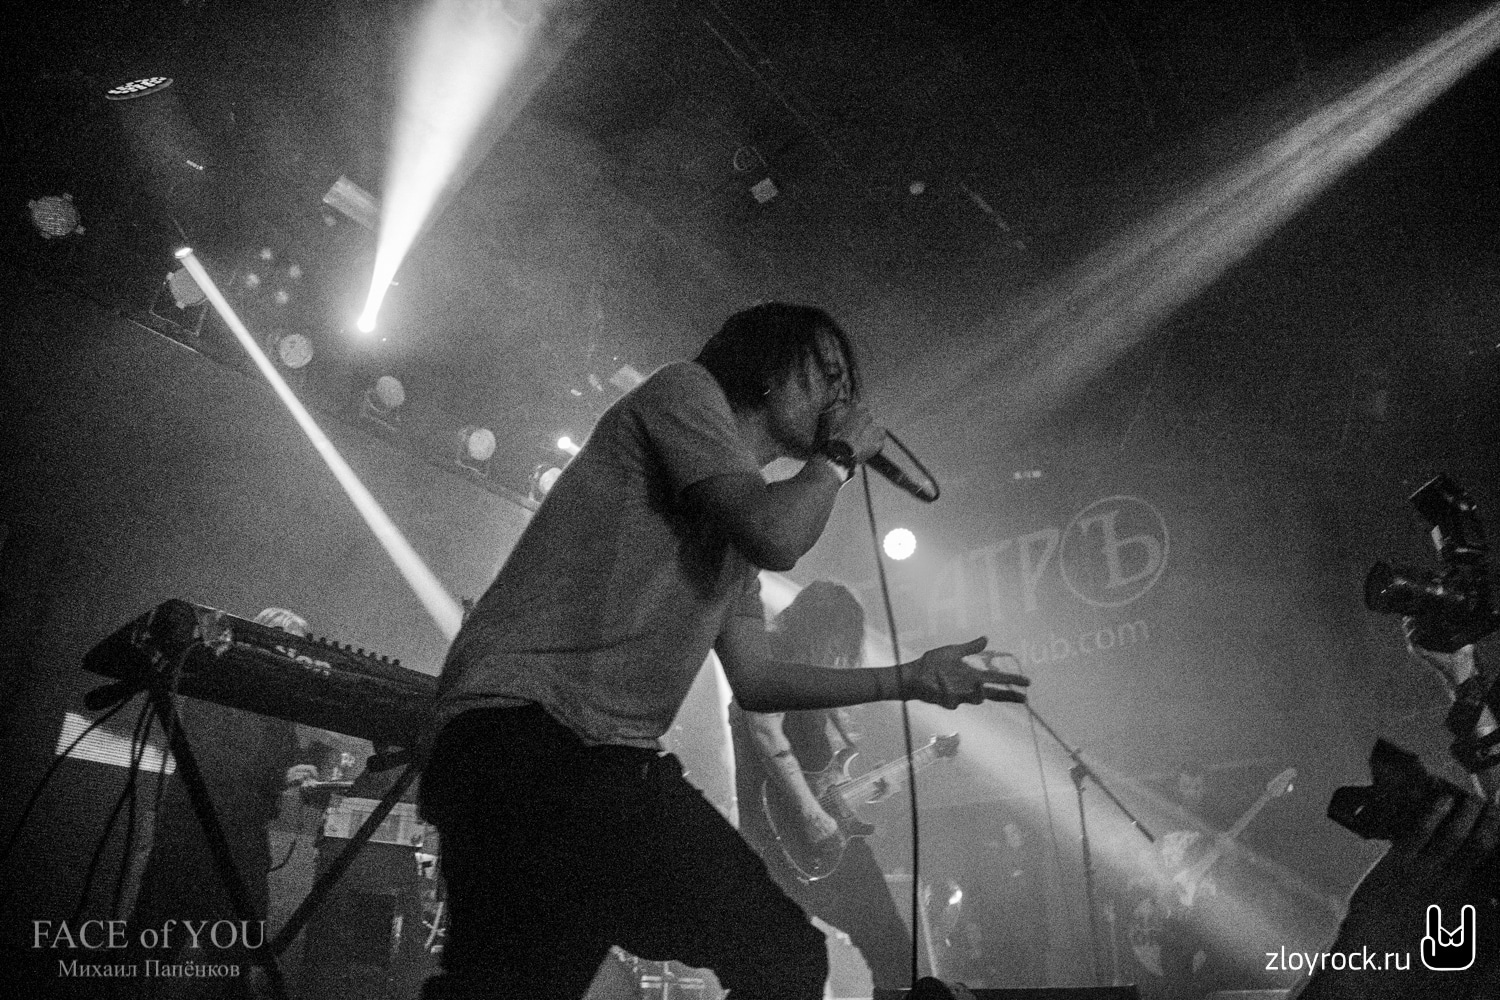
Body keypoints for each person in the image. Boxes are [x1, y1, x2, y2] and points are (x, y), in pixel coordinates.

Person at [419, 302, 1029, 1000]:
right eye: (826, 373)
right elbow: (778, 534)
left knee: (523, 986)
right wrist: (834, 461)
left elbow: (757, 679)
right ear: (767, 367)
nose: (841, 397)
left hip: (583, 758)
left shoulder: (740, 512)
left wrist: (909, 678)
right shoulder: (685, 392)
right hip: (531, 736)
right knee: (779, 956)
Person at [727, 581, 914, 993]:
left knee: (782, 970)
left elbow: (813, 765)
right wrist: (812, 813)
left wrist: (859, 788)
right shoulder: (774, 658)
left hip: (776, 840)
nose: (840, 655)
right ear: (825, 629)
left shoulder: (795, 669)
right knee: (892, 950)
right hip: (797, 836)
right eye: (839, 642)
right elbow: (764, 731)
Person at [128, 607, 321, 997]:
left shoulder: (276, 704)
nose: (292, 658)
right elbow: (218, 760)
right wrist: (282, 776)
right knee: (149, 953)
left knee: (232, 963)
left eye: (297, 651)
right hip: (192, 833)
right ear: (258, 642)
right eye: (286, 647)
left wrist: (300, 775)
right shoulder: (220, 677)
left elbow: (275, 762)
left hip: (241, 836)